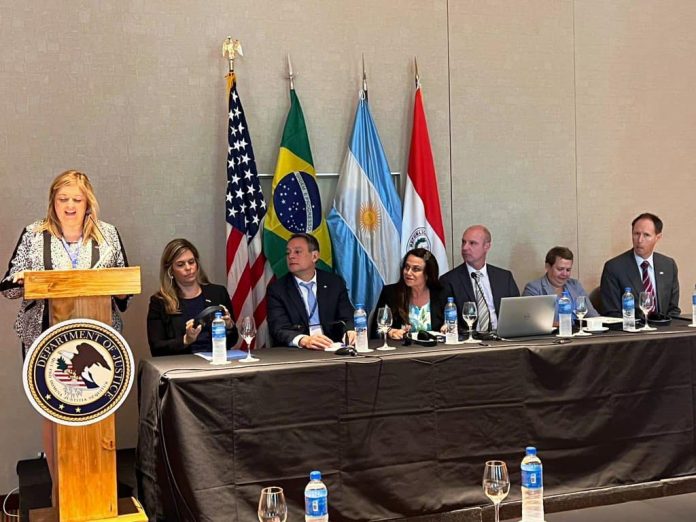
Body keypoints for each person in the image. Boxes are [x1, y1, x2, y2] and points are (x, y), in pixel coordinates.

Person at [1, 170, 130, 356]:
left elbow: (126, 291)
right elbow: (8, 290)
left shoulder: (108, 235)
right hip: (42, 338)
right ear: (53, 202)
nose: (70, 205)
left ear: (87, 203)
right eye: (63, 199)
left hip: (99, 337)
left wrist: (120, 291)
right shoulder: (33, 234)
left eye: (77, 200)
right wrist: (22, 281)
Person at [147, 238, 238, 356]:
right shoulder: (159, 302)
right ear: (170, 271)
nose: (188, 268)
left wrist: (229, 326)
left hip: (217, 361)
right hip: (182, 364)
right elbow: (156, 348)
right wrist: (186, 340)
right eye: (180, 265)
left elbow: (233, 340)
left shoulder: (218, 293)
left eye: (191, 262)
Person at [267, 233, 355, 349]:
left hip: (332, 347)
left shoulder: (334, 283)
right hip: (297, 352)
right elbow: (278, 328)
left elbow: (347, 317)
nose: (291, 256)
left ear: (314, 256)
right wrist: (303, 340)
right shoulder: (277, 289)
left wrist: (350, 331)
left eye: (297, 252)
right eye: (288, 253)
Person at [440, 225, 519, 332]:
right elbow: (445, 321)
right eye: (463, 242)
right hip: (469, 339)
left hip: (502, 336)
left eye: (472, 243)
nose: (465, 248)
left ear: (487, 246)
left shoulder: (504, 278)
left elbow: (517, 312)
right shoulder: (449, 280)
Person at [600, 213, 680, 318]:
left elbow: (673, 310)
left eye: (646, 235)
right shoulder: (614, 268)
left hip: (663, 327)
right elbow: (612, 313)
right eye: (636, 234)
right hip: (632, 327)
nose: (640, 240)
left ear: (658, 237)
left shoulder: (668, 265)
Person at [370, 248, 446, 340]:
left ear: (428, 274)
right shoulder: (390, 293)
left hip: (435, 347)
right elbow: (376, 330)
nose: (408, 272)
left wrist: (448, 327)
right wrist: (390, 332)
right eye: (406, 267)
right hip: (401, 348)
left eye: (416, 269)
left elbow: (456, 325)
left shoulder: (441, 294)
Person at [523, 246, 599, 322]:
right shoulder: (533, 289)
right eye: (560, 269)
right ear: (547, 267)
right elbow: (529, 321)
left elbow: (592, 315)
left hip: (577, 329)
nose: (564, 274)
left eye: (568, 270)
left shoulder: (575, 285)